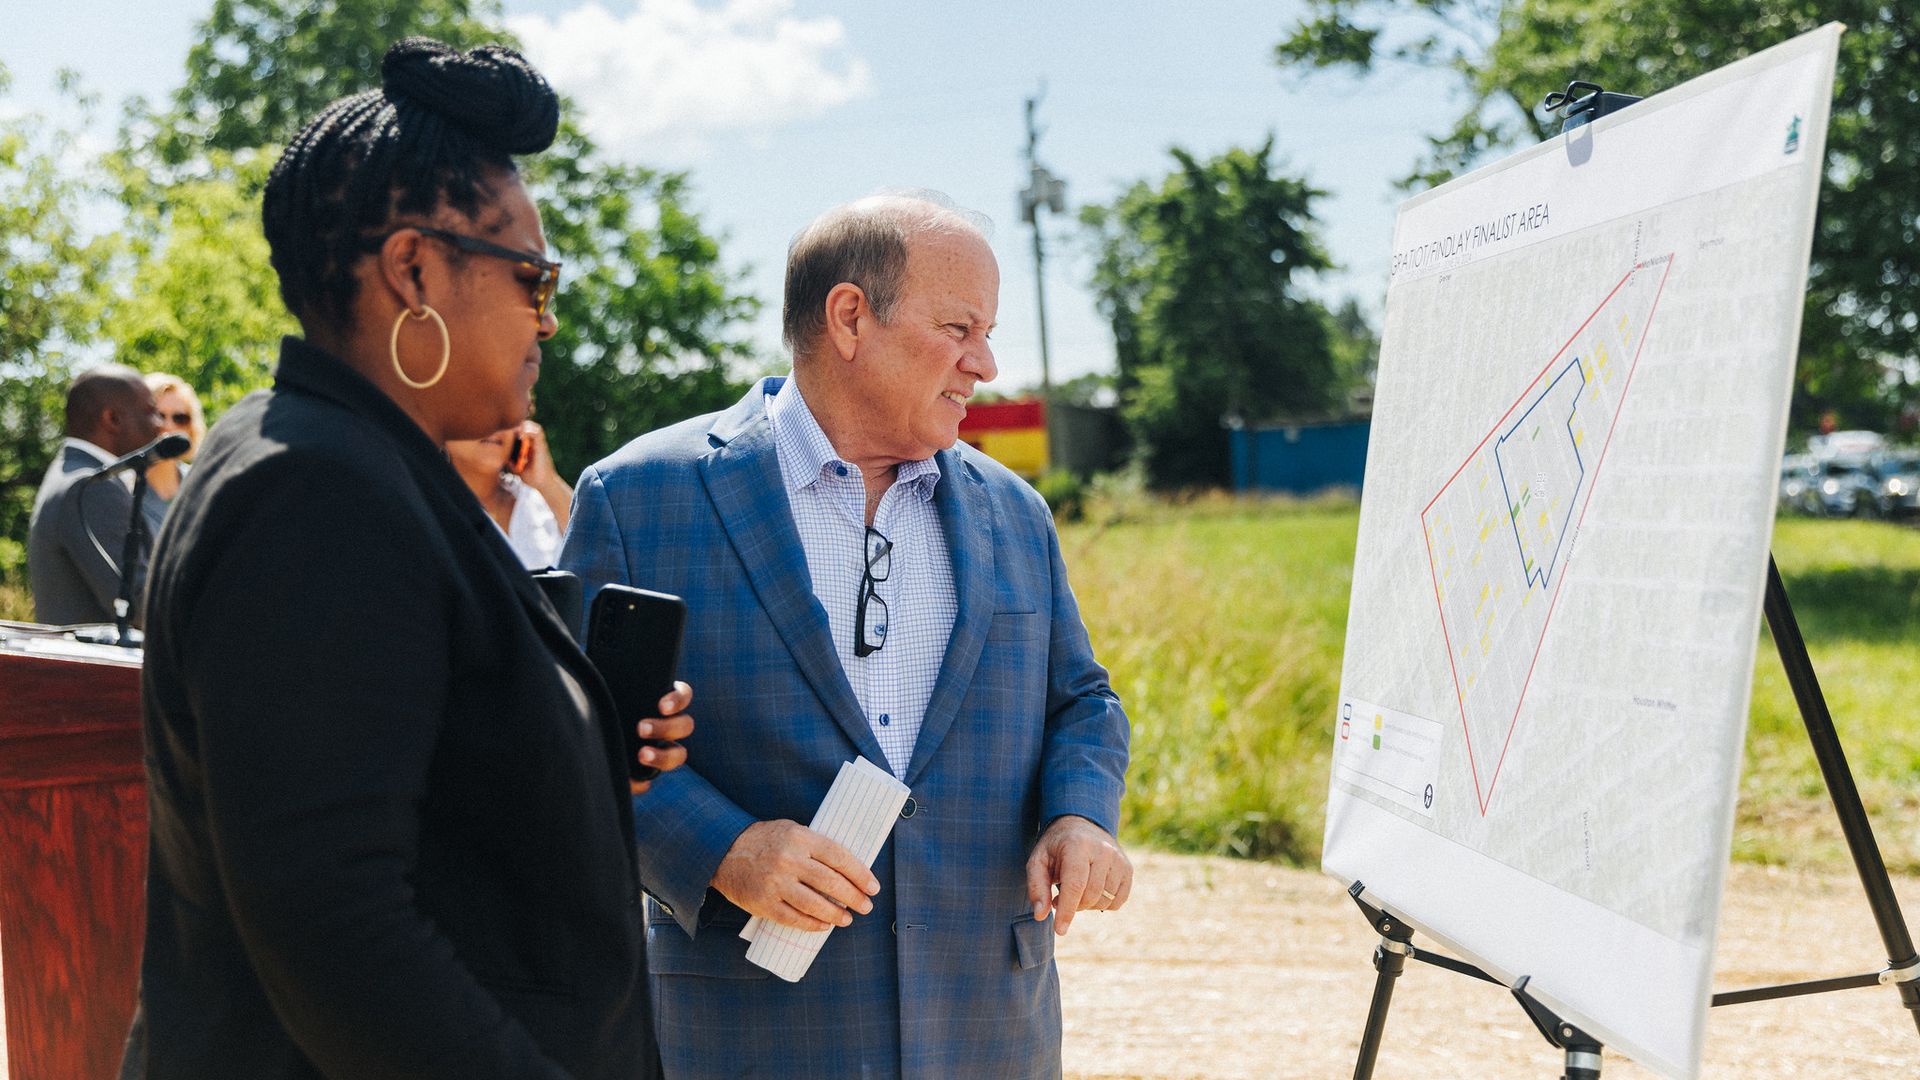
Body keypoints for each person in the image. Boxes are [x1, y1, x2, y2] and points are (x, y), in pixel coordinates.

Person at [122, 38, 690, 1080]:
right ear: (415, 268)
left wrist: (577, 747)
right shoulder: (313, 492)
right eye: (533, 273)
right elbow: (333, 921)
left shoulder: (358, 466)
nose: (548, 318)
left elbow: (412, 798)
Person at [561, 193, 1133, 1079]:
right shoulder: (639, 498)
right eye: (959, 327)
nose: (984, 362)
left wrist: (1080, 812)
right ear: (850, 316)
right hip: (749, 1029)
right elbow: (572, 746)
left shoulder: (1015, 512)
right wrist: (722, 848)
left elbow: (1081, 699)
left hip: (985, 1026)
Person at [26, 365, 163, 627]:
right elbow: (139, 606)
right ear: (112, 419)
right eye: (150, 412)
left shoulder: (73, 475)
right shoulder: (93, 487)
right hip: (103, 668)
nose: (160, 425)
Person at [446, 420, 573, 568]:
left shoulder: (539, 499)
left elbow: (598, 552)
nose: (494, 421)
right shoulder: (425, 507)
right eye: (476, 406)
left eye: (504, 408)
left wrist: (547, 482)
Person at [142, 372, 206, 502]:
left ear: (191, 427)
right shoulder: (122, 486)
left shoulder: (203, 486)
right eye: (159, 415)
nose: (168, 426)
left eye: (180, 418)